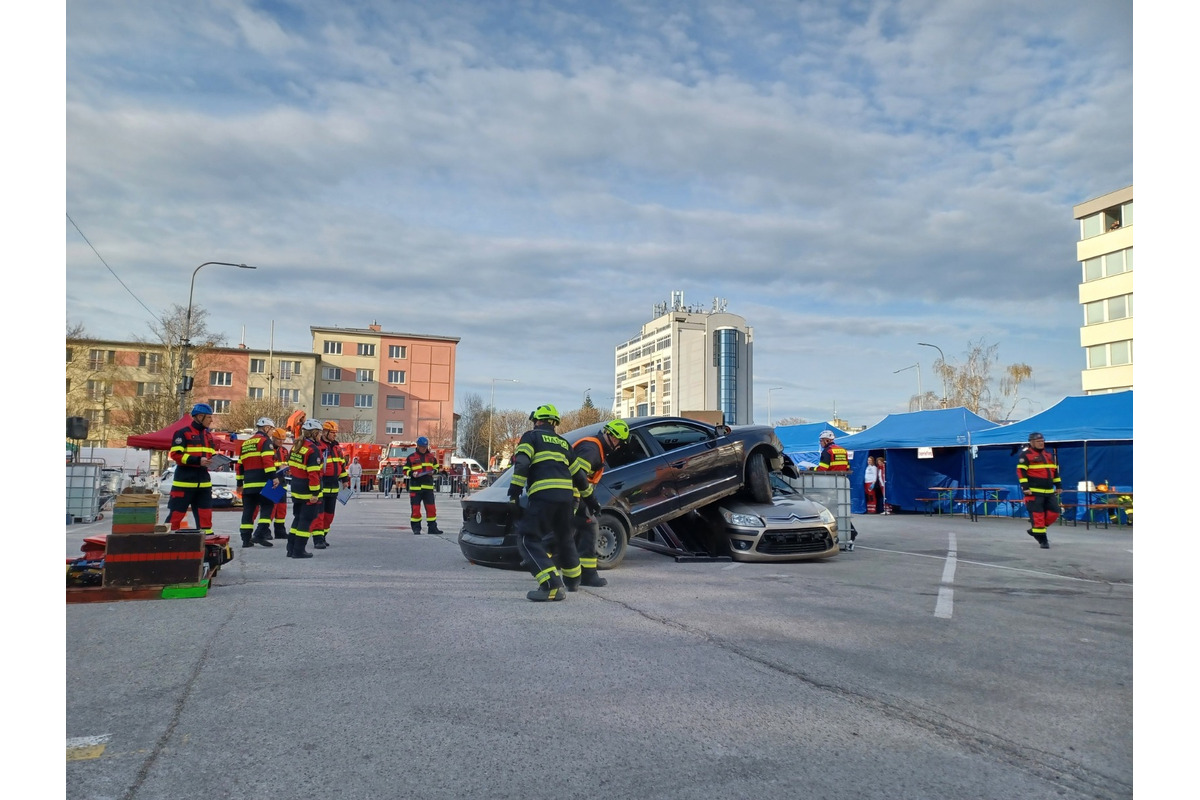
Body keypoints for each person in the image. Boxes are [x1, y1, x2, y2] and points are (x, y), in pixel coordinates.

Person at [508, 404, 582, 601]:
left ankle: (551, 586)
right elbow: (580, 476)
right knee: (565, 537)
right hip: (566, 499)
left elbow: (522, 463)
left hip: (543, 497)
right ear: (554, 423)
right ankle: (573, 581)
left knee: (527, 538)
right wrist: (591, 500)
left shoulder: (531, 437)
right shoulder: (564, 443)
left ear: (537, 421)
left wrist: (515, 490)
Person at [567, 419, 630, 588]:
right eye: (618, 441)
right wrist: (588, 501)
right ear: (610, 436)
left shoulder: (595, 448)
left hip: (575, 497)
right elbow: (578, 477)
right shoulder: (592, 449)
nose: (618, 446)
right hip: (574, 497)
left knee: (573, 531)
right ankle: (586, 574)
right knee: (587, 528)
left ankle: (539, 556)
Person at [166, 403, 218, 534]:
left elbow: (210, 455)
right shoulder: (182, 433)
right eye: (209, 417)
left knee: (205, 516)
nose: (211, 420)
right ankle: (168, 543)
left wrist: (216, 462)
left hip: (204, 483)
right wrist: (197, 460)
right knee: (176, 516)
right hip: (184, 483)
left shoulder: (208, 436)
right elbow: (176, 455)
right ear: (200, 417)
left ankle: (207, 544)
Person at [236, 416, 283, 548]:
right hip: (263, 483)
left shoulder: (245, 443)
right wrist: (274, 477)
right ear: (266, 428)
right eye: (271, 429)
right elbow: (267, 462)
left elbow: (239, 466)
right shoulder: (265, 441)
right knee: (269, 507)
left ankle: (246, 540)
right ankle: (259, 534)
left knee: (248, 512)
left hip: (248, 485)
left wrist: (239, 484)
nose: (272, 432)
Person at [286, 419, 325, 559]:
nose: (320, 436)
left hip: (296, 487)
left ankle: (290, 549)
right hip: (308, 491)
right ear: (314, 433)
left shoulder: (297, 446)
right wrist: (315, 493)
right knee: (305, 521)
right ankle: (299, 550)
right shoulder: (312, 450)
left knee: (297, 519)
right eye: (319, 433)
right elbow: (313, 474)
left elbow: (291, 467)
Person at [1017, 431, 1061, 549]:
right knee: (1038, 516)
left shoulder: (1048, 456)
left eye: (1042, 441)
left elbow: (1054, 471)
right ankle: (1043, 540)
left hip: (1049, 492)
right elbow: (1021, 472)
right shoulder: (1025, 455)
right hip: (1033, 492)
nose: (1041, 443)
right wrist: (1025, 488)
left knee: (1055, 512)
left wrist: (1059, 485)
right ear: (1031, 442)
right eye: (1038, 441)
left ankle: (1036, 530)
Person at [313, 420, 348, 549]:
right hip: (322, 483)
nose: (334, 435)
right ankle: (318, 539)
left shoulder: (336, 447)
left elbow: (341, 465)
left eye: (335, 433)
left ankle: (323, 535)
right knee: (319, 514)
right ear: (325, 432)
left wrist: (344, 480)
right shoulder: (318, 447)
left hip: (333, 485)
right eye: (332, 433)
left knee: (329, 515)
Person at [403, 437, 442, 534]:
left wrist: (434, 471)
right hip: (416, 488)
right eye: (421, 447)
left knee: (431, 509)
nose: (423, 449)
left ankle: (432, 528)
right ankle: (416, 528)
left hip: (428, 487)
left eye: (425, 447)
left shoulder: (431, 457)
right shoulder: (411, 457)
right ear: (418, 446)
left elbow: (437, 468)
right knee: (416, 509)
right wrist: (412, 473)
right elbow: (405, 469)